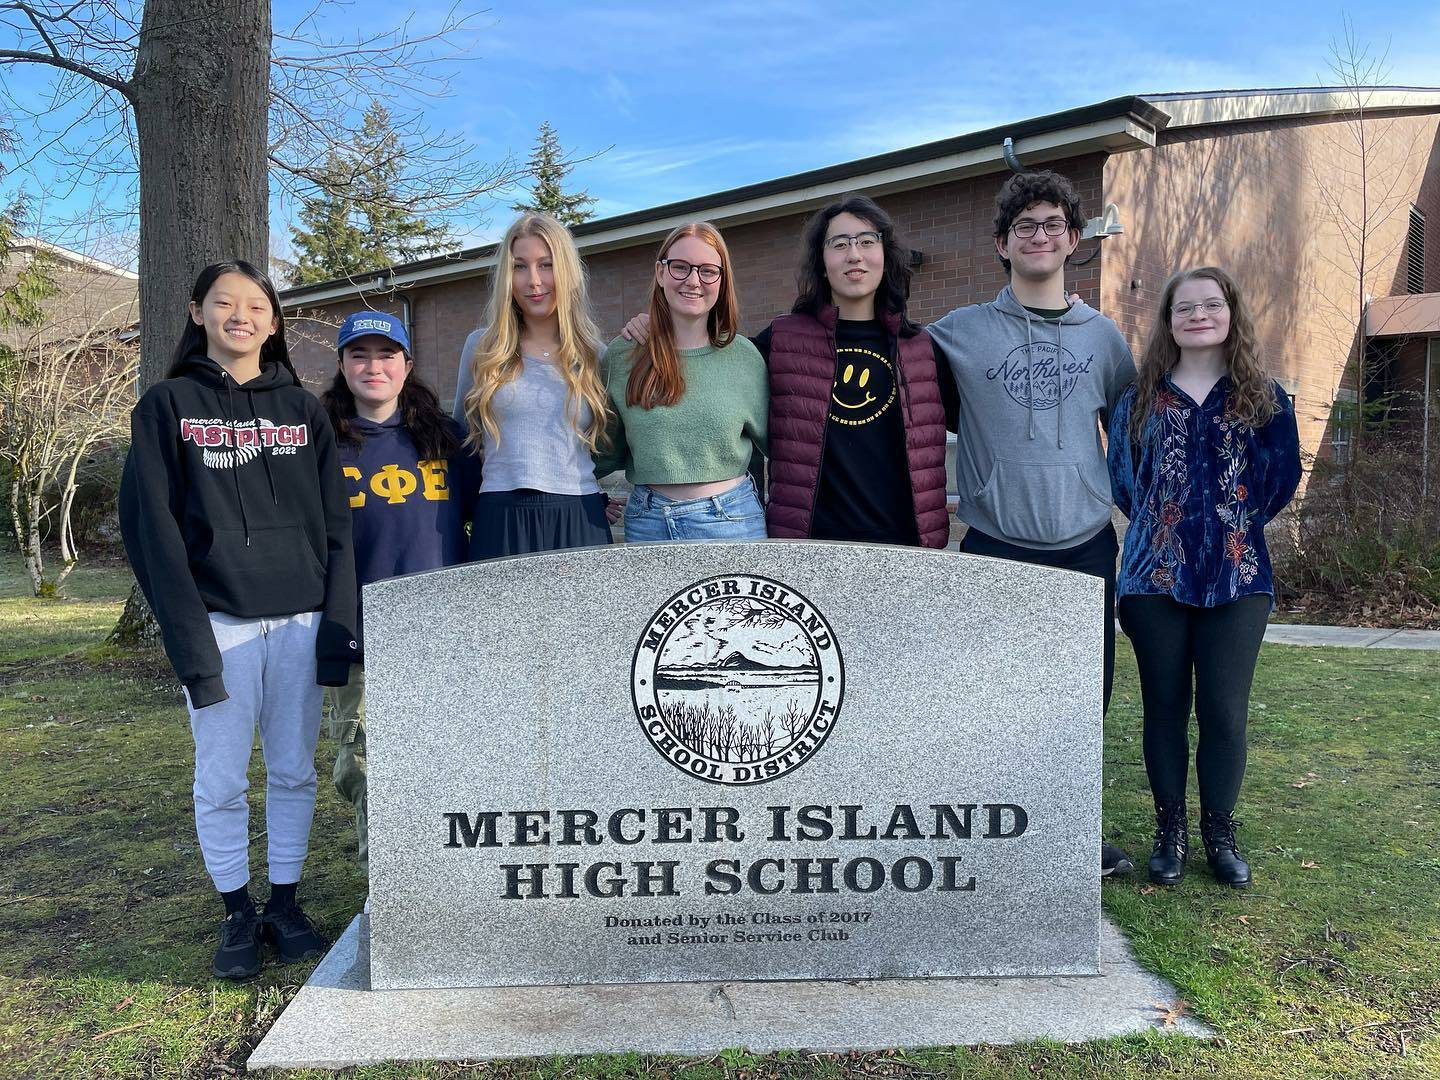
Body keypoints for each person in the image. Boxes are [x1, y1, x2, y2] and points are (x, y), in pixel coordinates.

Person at [118, 261, 357, 979]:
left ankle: (284, 903)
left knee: (292, 771)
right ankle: (236, 909)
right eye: (225, 303)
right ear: (197, 313)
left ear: (275, 322)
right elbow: (152, 533)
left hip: (298, 621)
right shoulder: (167, 405)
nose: (241, 315)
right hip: (218, 623)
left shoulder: (304, 410)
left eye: (257, 305)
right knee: (221, 778)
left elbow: (337, 528)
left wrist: (335, 627)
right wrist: (189, 642)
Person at [926, 170, 1137, 878]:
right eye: (1025, 227)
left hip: (1084, 543)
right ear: (1002, 244)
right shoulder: (958, 335)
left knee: (1084, 700)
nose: (1039, 236)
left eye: (1053, 225)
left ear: (1074, 241)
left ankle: (1076, 831)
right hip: (995, 544)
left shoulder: (1105, 340)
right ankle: (1000, 834)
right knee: (995, 697)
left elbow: (1137, 436)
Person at [1108, 267, 1300, 888]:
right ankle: (1170, 832)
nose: (1197, 315)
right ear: (1167, 321)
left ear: (1230, 313)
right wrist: (1168, 532)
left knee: (1224, 710)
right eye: (1184, 307)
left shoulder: (1262, 396)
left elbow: (1279, 480)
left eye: (1210, 304)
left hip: (1238, 578)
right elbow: (1125, 483)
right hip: (1151, 578)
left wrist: (1226, 529)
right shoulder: (1138, 400)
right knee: (1164, 708)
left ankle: (1220, 831)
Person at [623, 194, 956, 545]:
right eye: (839, 244)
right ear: (821, 261)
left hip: (905, 548)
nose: (854, 254)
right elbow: (706, 352)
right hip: (808, 548)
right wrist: (660, 325)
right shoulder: (783, 339)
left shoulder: (922, 348)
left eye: (867, 241)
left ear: (885, 256)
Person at [321, 310, 479, 876]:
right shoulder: (322, 443)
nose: (373, 366)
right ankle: (385, 888)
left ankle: (441, 874)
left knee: (444, 754)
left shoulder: (446, 438)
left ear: (406, 364)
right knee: (364, 761)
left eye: (386, 355)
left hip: (441, 631)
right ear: (341, 365)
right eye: (359, 355)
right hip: (360, 630)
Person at [596, 221, 767, 541]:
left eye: (707, 270)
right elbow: (603, 450)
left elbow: (785, 447)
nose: (693, 280)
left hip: (730, 521)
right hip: (647, 522)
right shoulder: (623, 355)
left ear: (722, 280)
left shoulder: (744, 356)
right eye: (680, 267)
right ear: (660, 273)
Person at [453, 212, 612, 557]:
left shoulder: (596, 355)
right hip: (500, 516)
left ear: (566, 271)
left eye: (547, 265)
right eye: (519, 266)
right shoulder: (482, 348)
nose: (534, 281)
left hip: (579, 516)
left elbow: (614, 443)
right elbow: (461, 440)